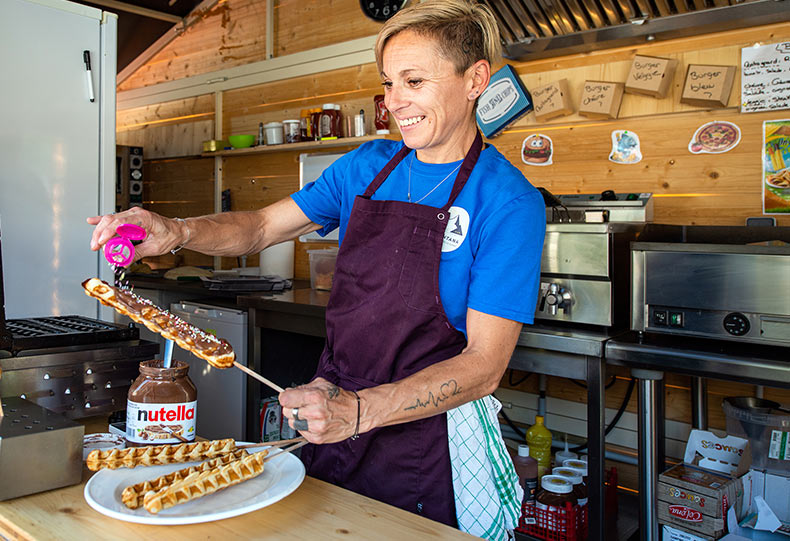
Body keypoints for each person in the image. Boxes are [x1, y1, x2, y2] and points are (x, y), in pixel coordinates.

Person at [87, 1, 544, 538]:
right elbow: (259, 227)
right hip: (330, 420)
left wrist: (362, 411)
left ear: (476, 80)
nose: (396, 102)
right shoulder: (364, 168)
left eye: (414, 81)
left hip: (422, 449)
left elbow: (485, 365)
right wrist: (178, 231)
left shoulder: (508, 201)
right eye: (389, 83)